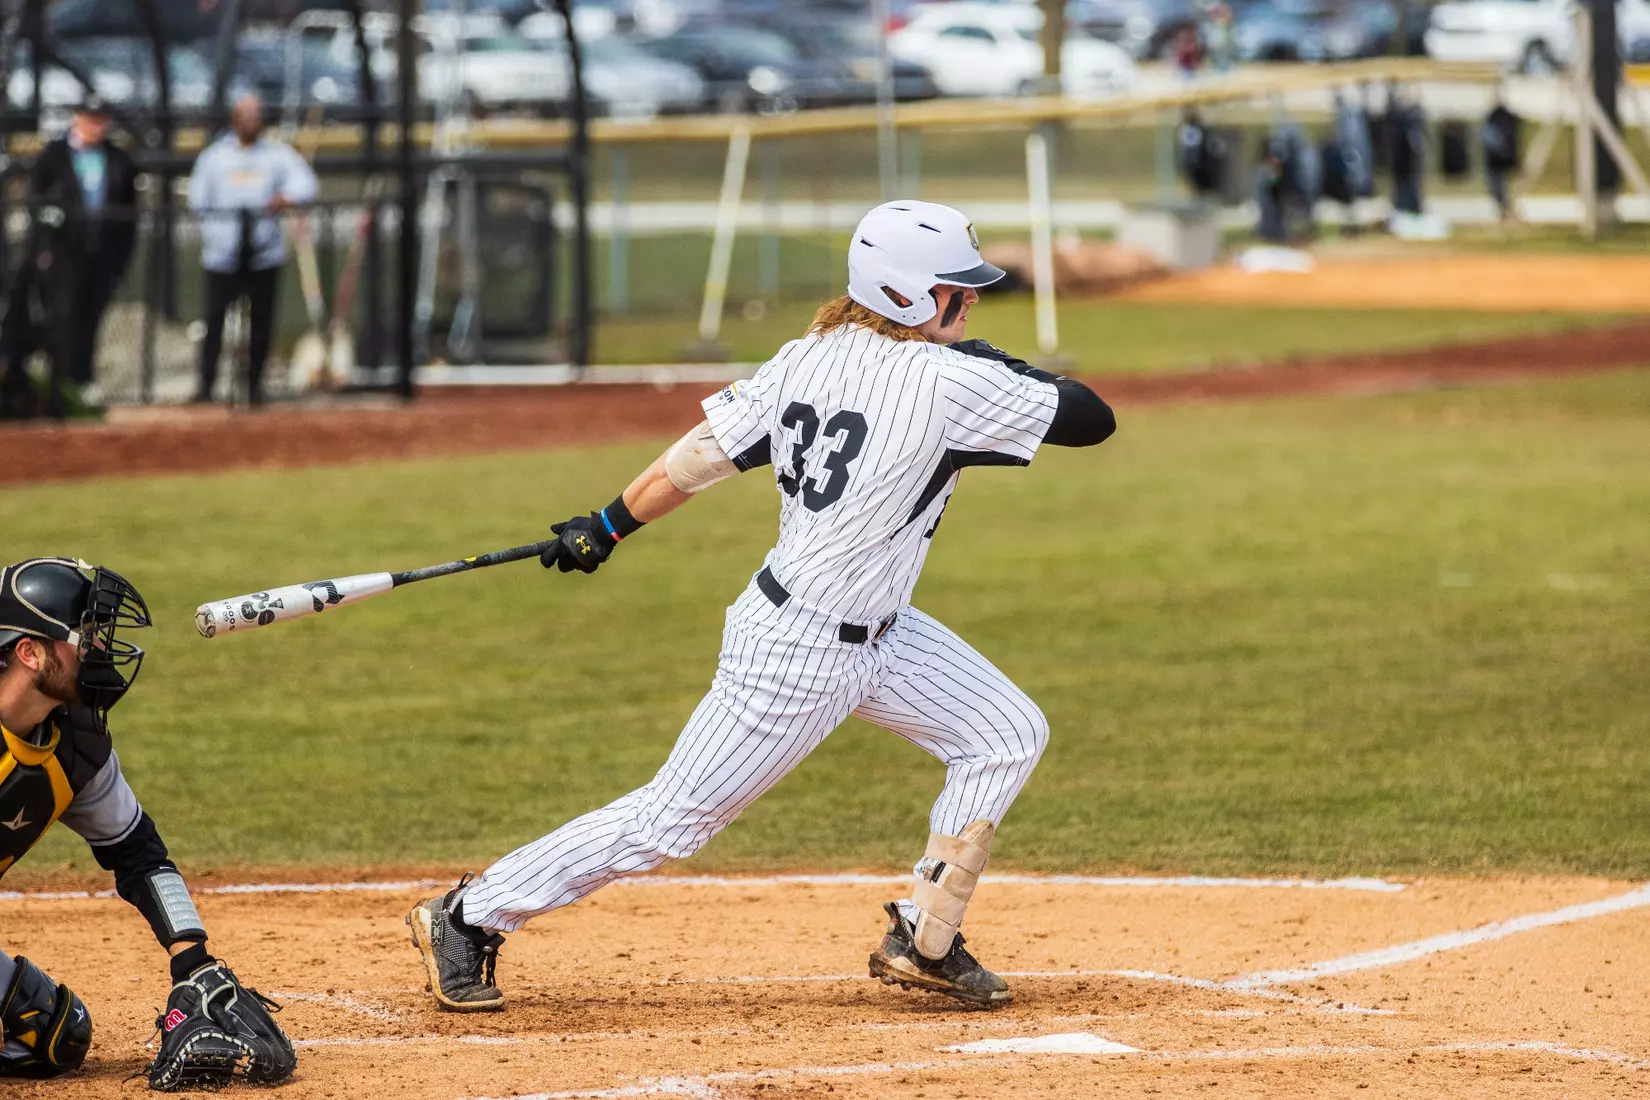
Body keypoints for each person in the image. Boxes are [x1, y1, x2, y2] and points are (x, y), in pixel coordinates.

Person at [407, 200, 1117, 1012]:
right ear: (908, 297)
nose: (973, 300)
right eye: (960, 289)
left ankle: (925, 937)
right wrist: (1005, 366)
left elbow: (706, 455)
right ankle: (469, 915)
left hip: (882, 634)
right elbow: (1093, 418)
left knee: (1006, 732)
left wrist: (609, 523)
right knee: (669, 822)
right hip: (799, 653)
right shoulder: (954, 381)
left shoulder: (809, 354)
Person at [0, 558, 295, 1088]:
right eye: (86, 636)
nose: (101, 650)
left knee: (49, 1035)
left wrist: (194, 963)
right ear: (30, 652)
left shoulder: (74, 747)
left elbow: (138, 853)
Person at [1, 96, 137, 414]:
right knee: (62, 321)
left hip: (101, 256)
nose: (95, 125)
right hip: (62, 257)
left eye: (100, 118)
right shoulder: (54, 155)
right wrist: (44, 251)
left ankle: (81, 387)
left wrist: (120, 259)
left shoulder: (119, 160)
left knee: (89, 322)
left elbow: (129, 216)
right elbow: (37, 205)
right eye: (89, 118)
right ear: (76, 119)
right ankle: (57, 391)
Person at [188, 93, 318, 406]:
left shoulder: (276, 155)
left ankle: (254, 386)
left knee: (261, 322)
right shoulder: (215, 157)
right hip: (223, 256)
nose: (252, 121)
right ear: (234, 119)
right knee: (215, 320)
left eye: (256, 115)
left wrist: (285, 198)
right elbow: (197, 201)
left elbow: (307, 184)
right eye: (246, 115)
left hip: (263, 252)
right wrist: (218, 234)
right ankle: (206, 386)